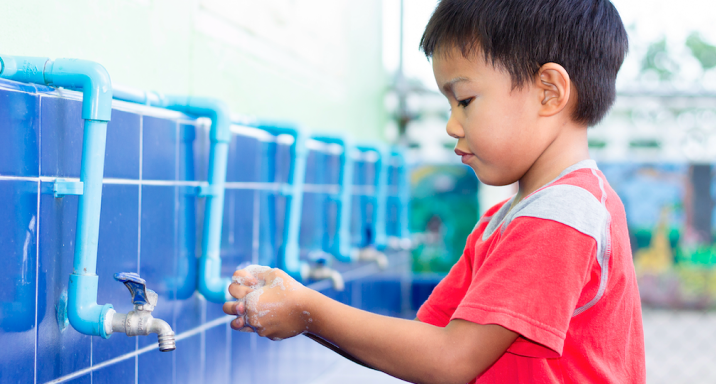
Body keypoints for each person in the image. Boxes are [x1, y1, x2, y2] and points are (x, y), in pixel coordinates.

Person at [223, 0, 646, 382]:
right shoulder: (508, 219)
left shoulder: (561, 214)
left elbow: (451, 360)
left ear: (548, 92)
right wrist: (298, 308)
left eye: (464, 100)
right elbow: (425, 345)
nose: (451, 125)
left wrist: (306, 310)